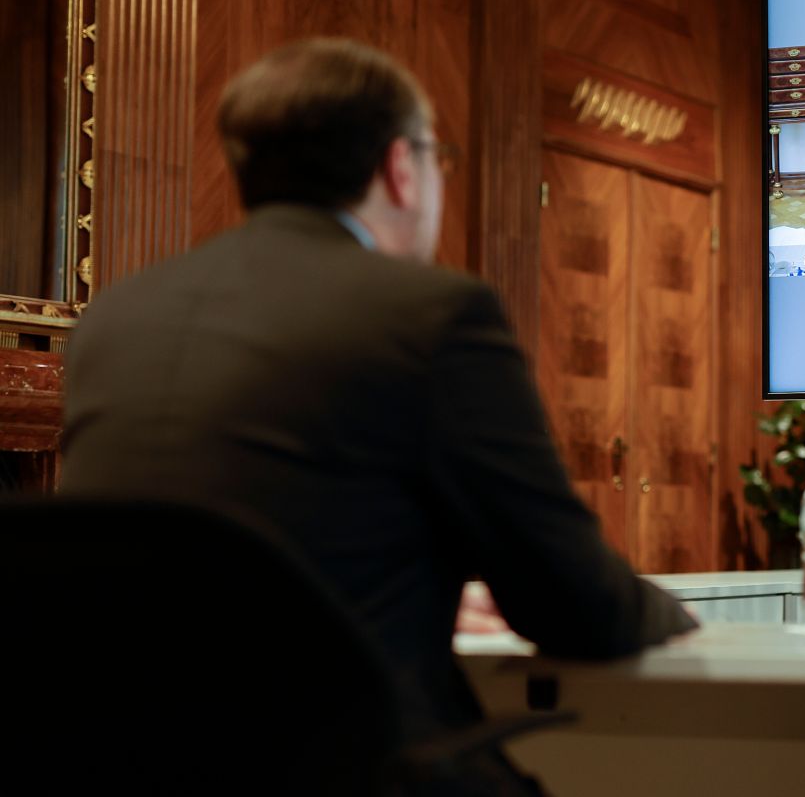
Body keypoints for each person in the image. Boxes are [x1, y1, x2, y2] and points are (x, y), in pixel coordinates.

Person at [59, 39, 695, 794]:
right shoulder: (432, 315)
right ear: (401, 167)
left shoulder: (115, 316)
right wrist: (680, 616)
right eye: (438, 159)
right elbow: (580, 607)